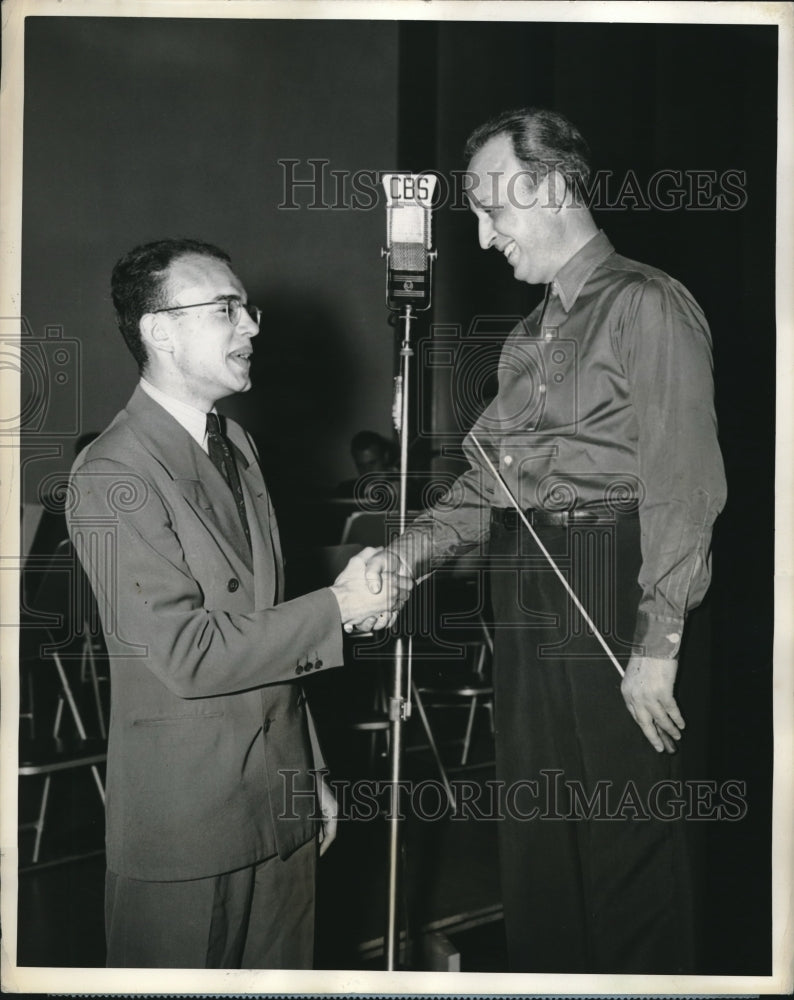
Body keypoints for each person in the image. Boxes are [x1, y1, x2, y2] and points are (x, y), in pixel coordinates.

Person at [364, 108, 726, 973]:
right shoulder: (529, 339)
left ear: (556, 187)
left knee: (625, 843)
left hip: (610, 570)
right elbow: (488, 485)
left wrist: (659, 641)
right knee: (538, 836)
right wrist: (406, 554)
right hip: (528, 581)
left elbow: (684, 482)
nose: (484, 240)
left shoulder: (646, 303)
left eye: (493, 210)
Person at [66, 238, 405, 969]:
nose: (251, 326)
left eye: (246, 309)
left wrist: (310, 770)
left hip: (276, 802)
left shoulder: (238, 446)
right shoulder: (112, 473)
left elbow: (264, 613)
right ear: (159, 331)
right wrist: (338, 609)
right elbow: (188, 655)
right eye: (226, 309)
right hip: (187, 827)